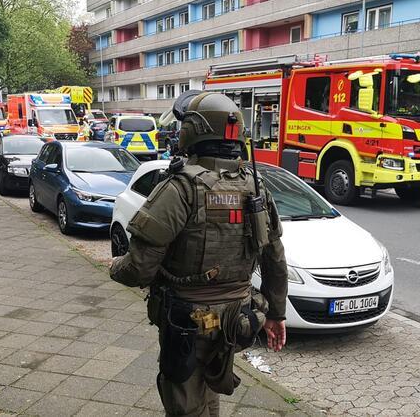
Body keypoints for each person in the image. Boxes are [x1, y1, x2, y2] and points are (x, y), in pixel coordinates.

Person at [110, 91, 288, 417]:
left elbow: (139, 268)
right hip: (239, 319)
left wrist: (114, 267)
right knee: (211, 385)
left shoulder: (180, 188)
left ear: (194, 131)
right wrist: (276, 314)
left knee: (184, 398)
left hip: (187, 321)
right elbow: (275, 258)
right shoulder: (255, 187)